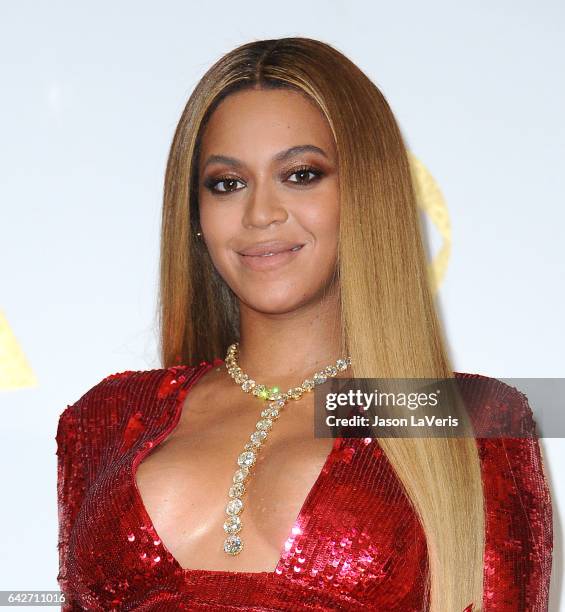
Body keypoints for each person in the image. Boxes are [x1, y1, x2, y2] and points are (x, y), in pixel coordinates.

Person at [55, 37, 553, 611]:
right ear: (195, 215)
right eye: (227, 183)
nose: (261, 213)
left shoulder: (474, 420)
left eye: (301, 174)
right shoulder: (105, 419)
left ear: (365, 195)